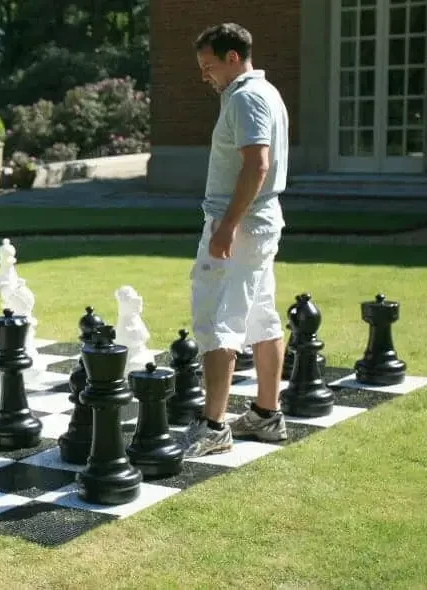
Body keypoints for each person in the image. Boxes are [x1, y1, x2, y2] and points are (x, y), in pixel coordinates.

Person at [182, 23, 290, 458]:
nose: (204, 76)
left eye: (209, 66)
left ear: (232, 58)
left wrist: (226, 226)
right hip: (260, 223)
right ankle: (266, 415)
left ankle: (213, 427)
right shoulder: (266, 92)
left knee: (216, 321)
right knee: (262, 317)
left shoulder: (246, 97)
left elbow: (256, 166)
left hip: (240, 224)